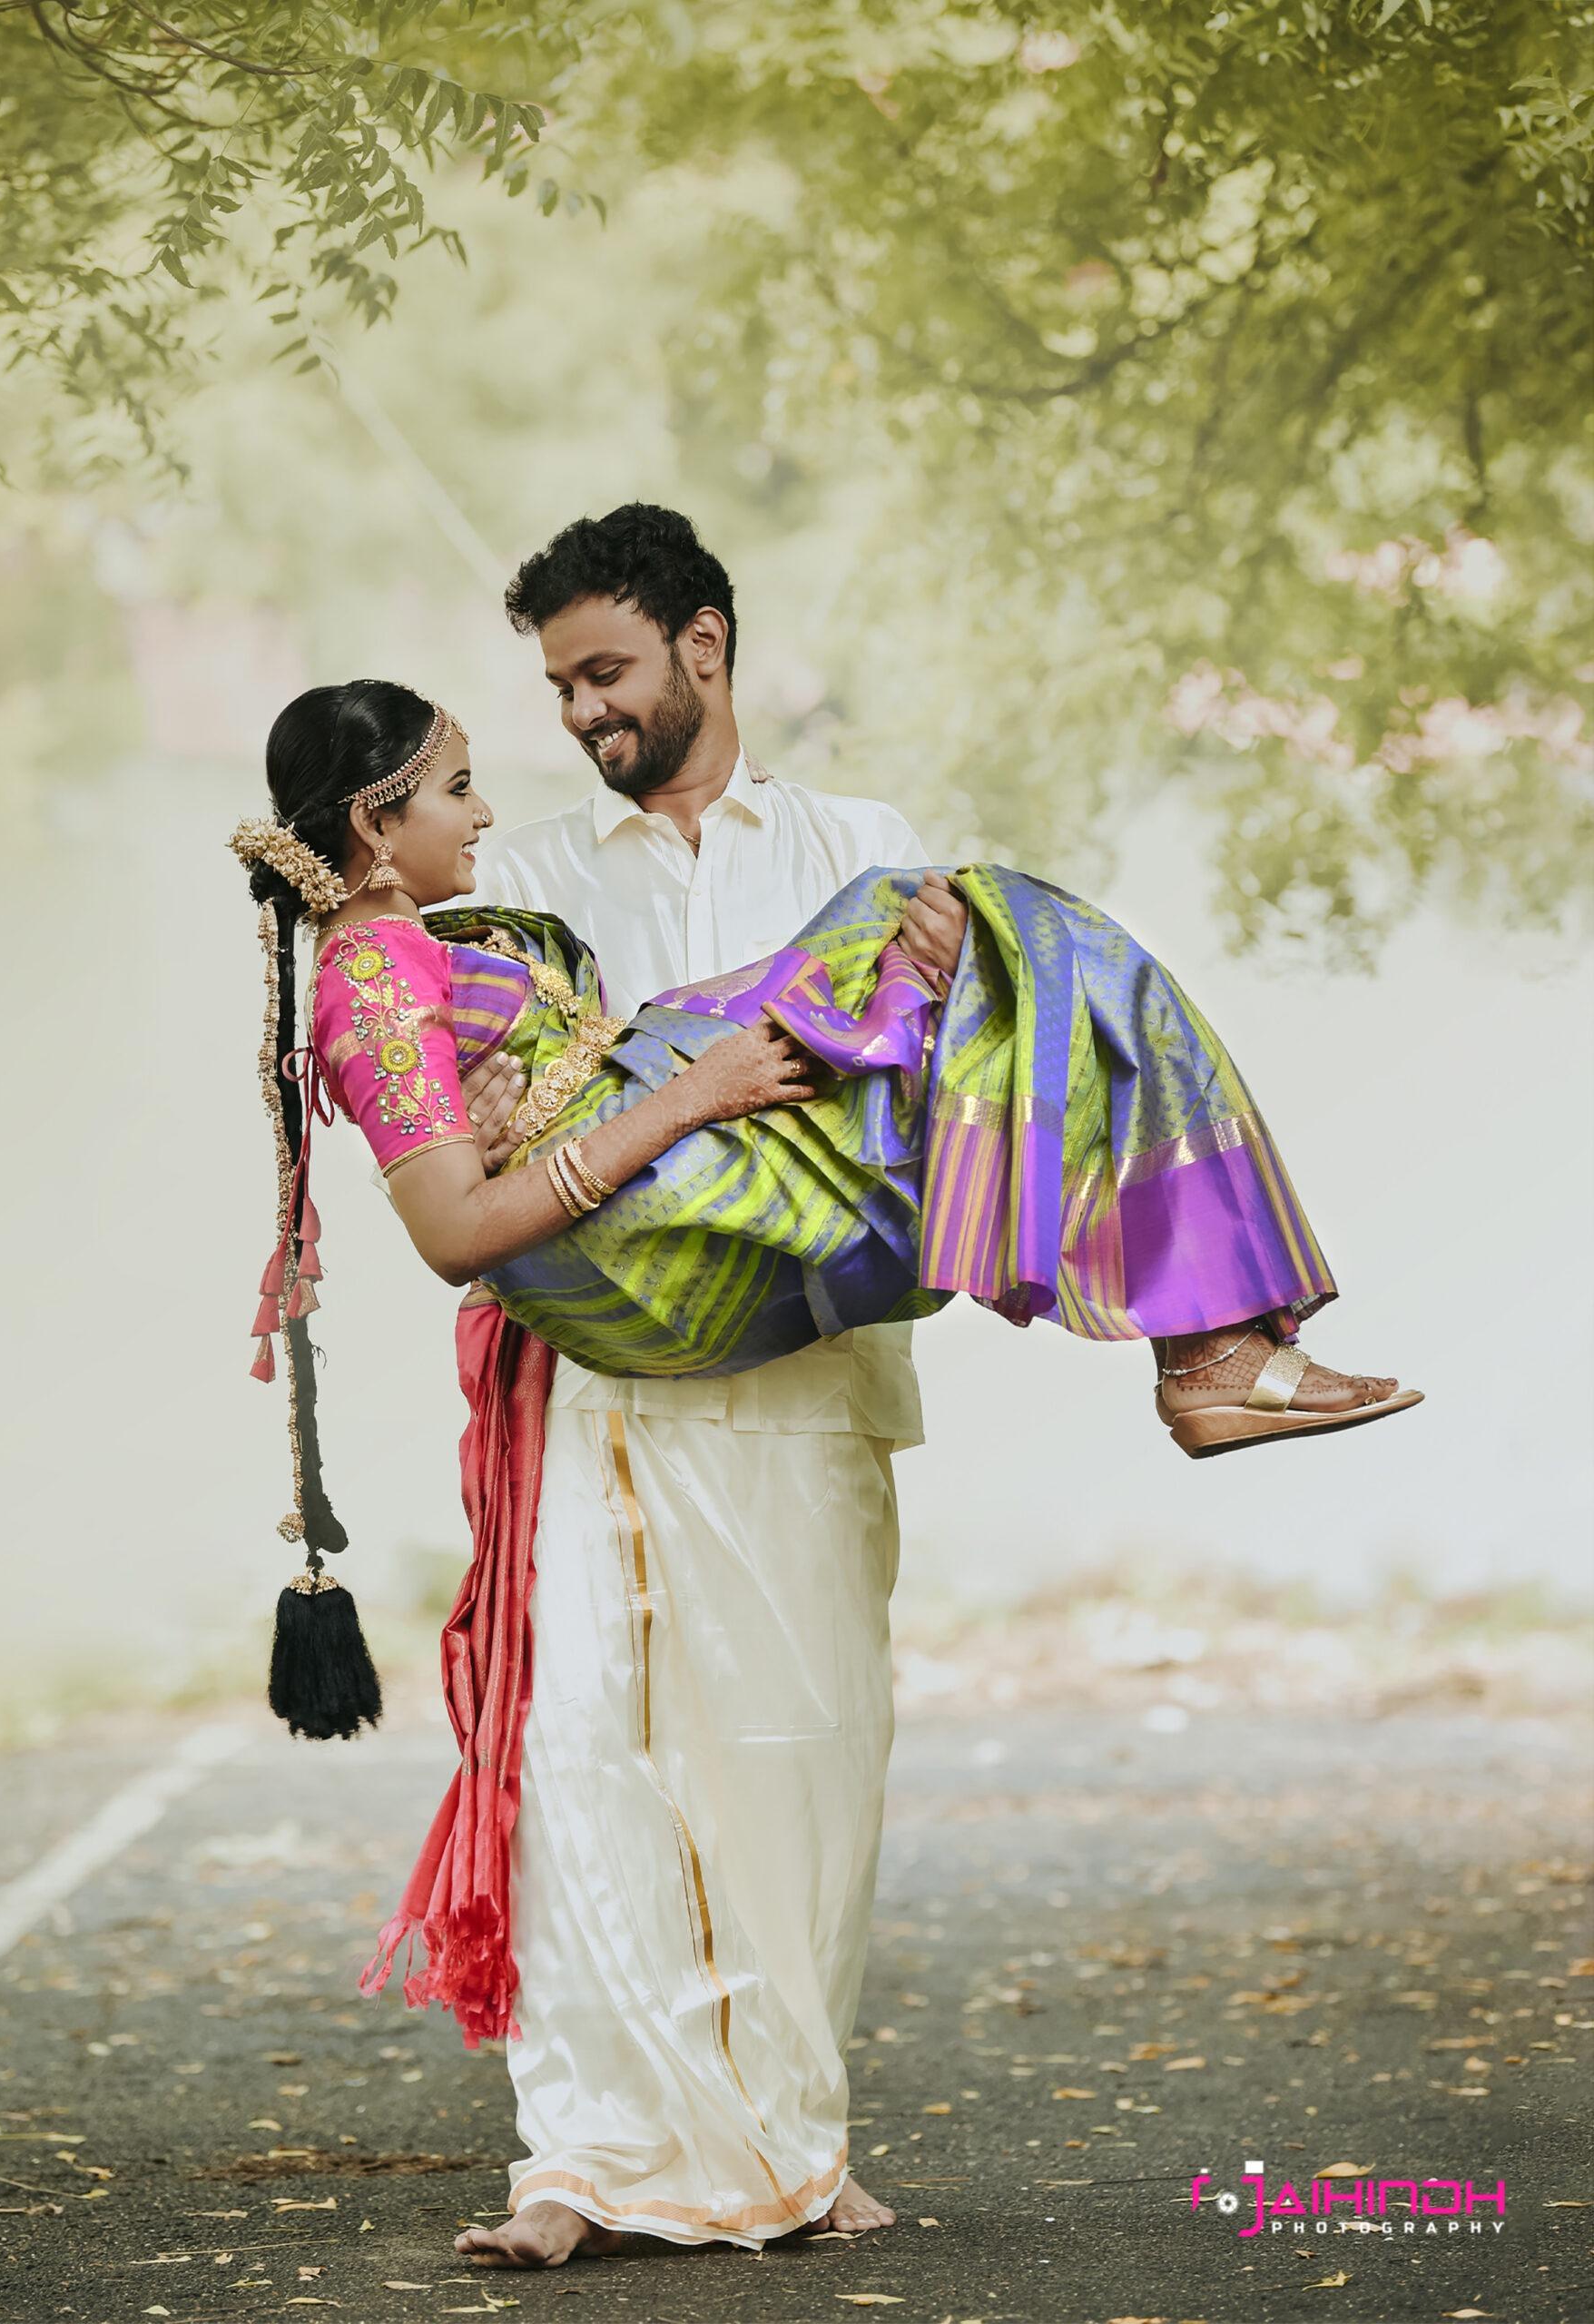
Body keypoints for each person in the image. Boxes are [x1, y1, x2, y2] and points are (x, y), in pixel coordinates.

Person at [228, 520, 1417, 2270]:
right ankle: (581, 2159)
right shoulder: (520, 874)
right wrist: (707, 1078)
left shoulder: (861, 846)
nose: (578, 716)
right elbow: (479, 1115)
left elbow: (940, 1092)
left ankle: (788, 2143)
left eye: (607, 673)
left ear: (704, 646)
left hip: (821, 1352)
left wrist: (926, 991)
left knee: (803, 1770)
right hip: (617, 1372)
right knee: (595, 1773)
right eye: (555, 689)